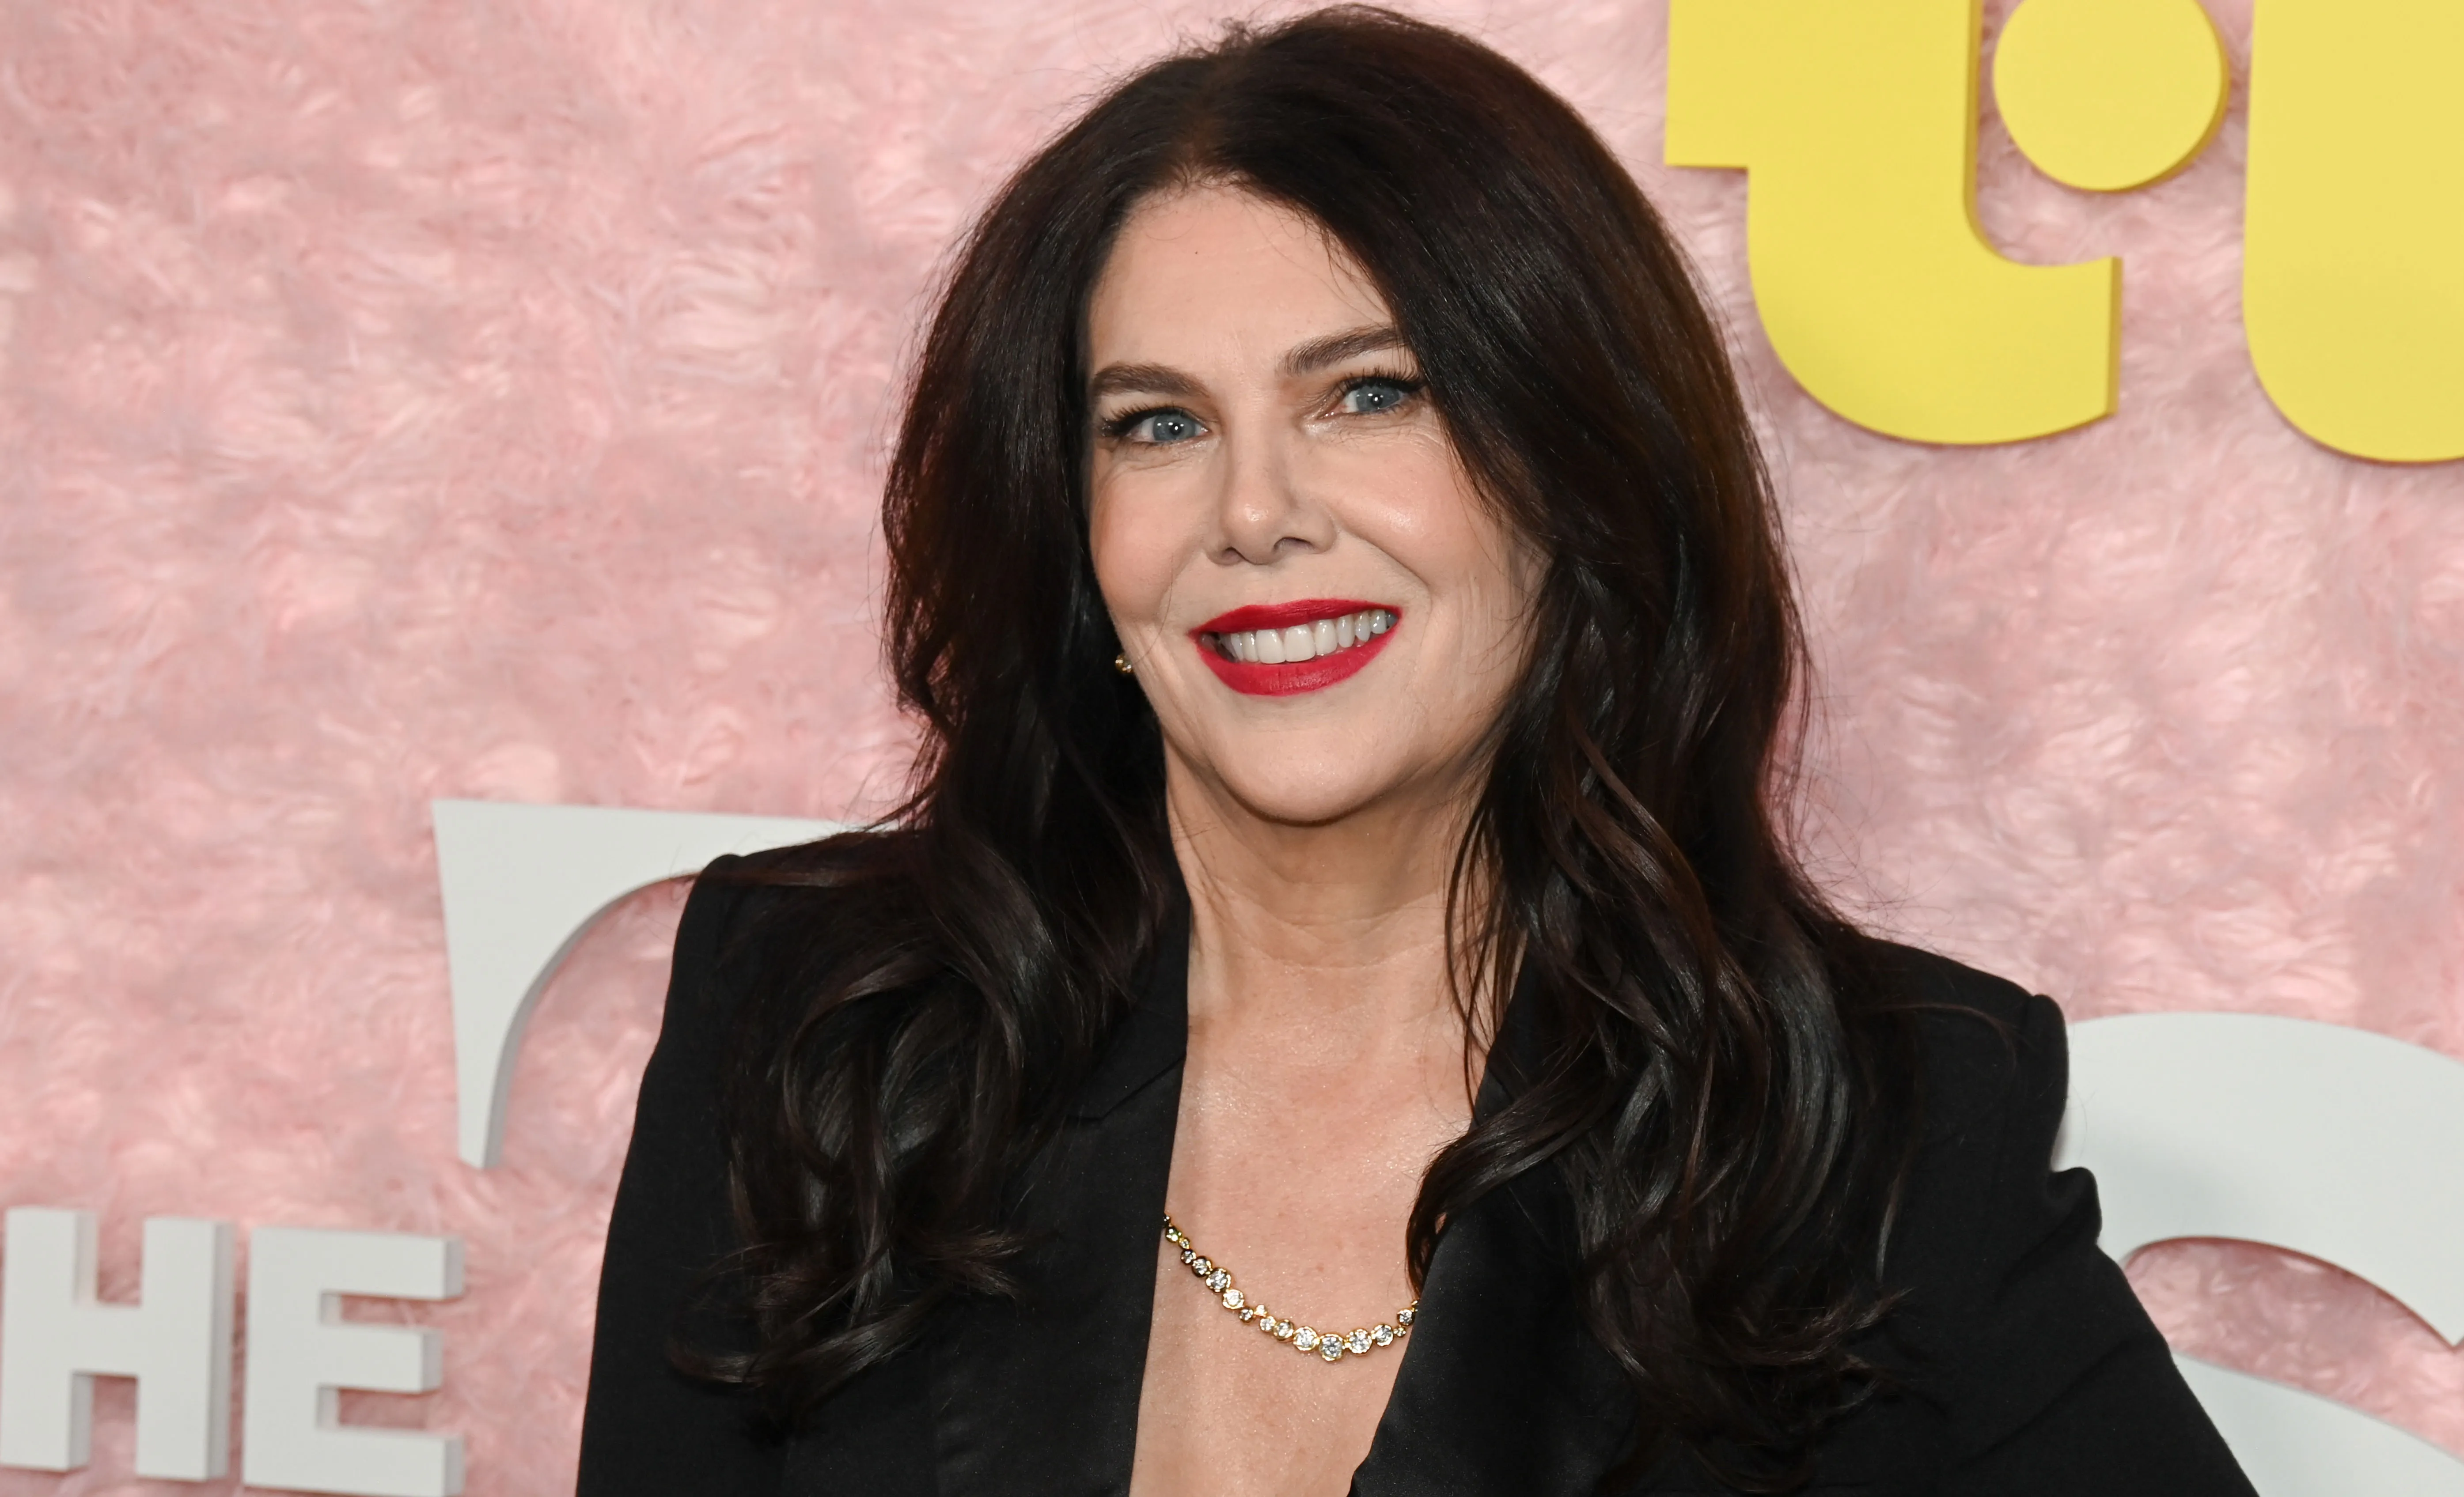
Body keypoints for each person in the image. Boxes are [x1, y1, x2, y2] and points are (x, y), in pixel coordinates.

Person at [576, 8, 2258, 1495]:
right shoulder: (818, 1022)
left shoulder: (1869, 1126)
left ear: (1578, 477)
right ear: (1072, 530)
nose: (1251, 513)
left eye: (1367, 395)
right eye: (1156, 424)